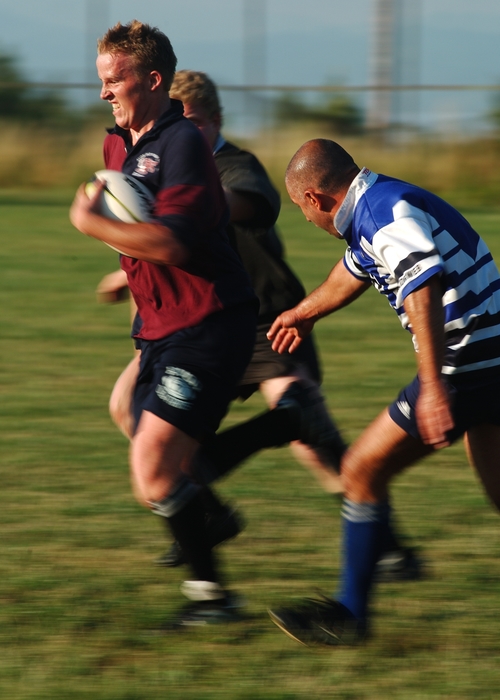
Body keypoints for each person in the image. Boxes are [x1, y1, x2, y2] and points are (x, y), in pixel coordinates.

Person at [99, 72, 419, 582]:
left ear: (215, 121)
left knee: (310, 440)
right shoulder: (164, 167)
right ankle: (204, 511)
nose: (182, 131)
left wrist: (181, 209)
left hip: (266, 317)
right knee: (125, 406)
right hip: (193, 321)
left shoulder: (233, 167)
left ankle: (389, 546)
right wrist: (128, 266)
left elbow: (230, 210)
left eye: (194, 122)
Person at [266, 138, 500, 646]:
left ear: (315, 199)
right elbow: (354, 272)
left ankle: (350, 616)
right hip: (491, 355)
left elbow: (422, 286)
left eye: (301, 210)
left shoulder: (382, 215)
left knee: (360, 471)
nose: (306, 221)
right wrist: (304, 313)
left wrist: (434, 388)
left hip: (466, 361)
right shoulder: (375, 206)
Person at [69, 20, 258, 626]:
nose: (104, 93)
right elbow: (144, 248)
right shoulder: (117, 146)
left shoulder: (181, 145)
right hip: (160, 328)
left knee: (152, 467)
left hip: (208, 324)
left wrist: (93, 224)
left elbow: (173, 246)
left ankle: (212, 593)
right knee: (138, 428)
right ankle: (209, 528)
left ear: (152, 80)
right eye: (100, 81)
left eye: (114, 80)